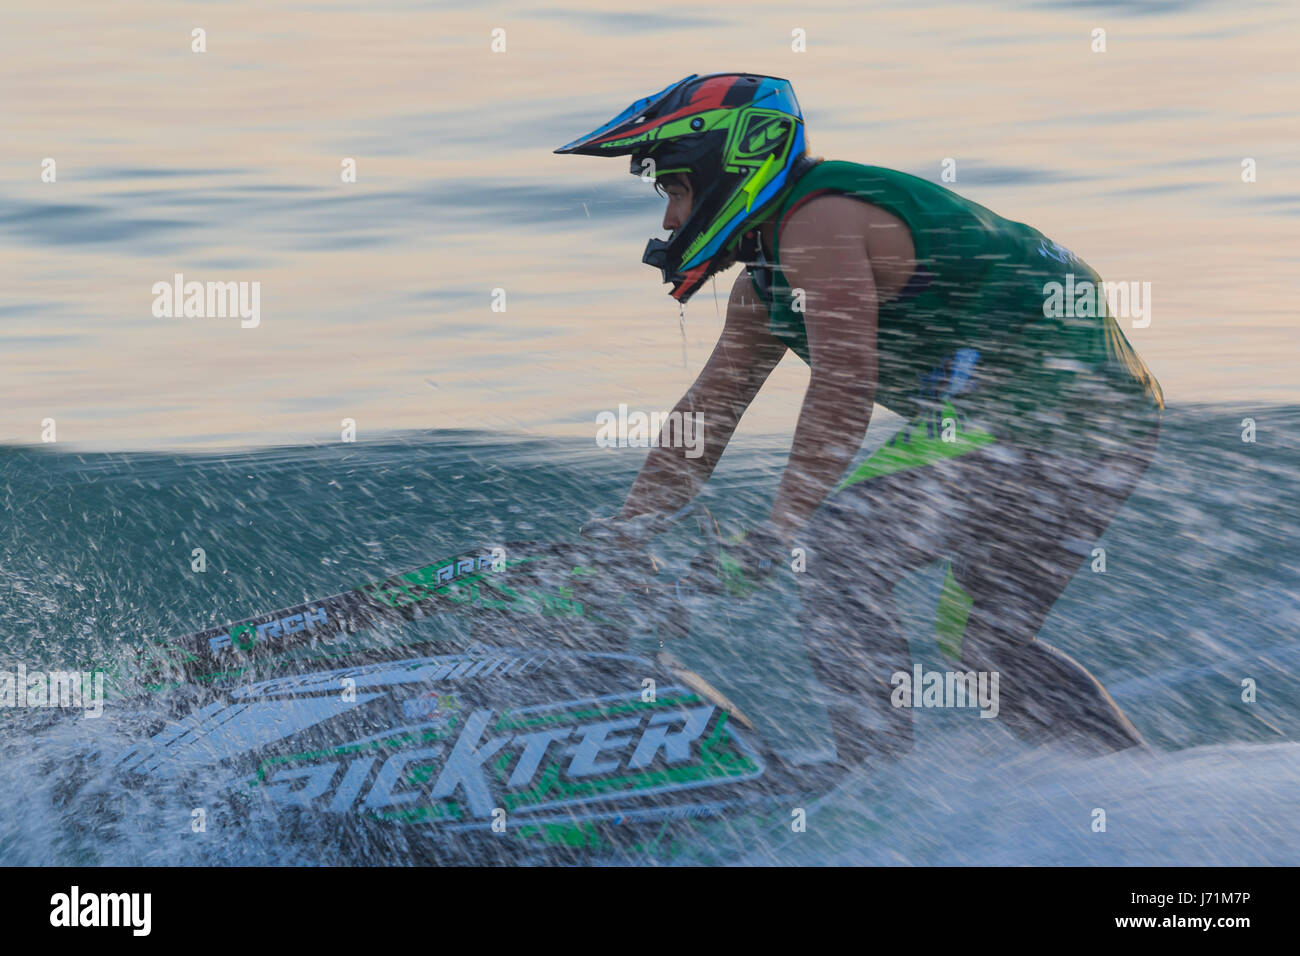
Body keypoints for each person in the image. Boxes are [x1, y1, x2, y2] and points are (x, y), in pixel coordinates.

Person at [556, 72, 1162, 769]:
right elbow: (708, 415)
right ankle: (1138, 785)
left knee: (839, 553)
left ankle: (875, 777)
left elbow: (845, 382)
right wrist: (627, 533)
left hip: (1041, 404)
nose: (668, 221)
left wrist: (785, 527)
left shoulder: (820, 224)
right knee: (985, 643)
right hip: (1112, 424)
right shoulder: (765, 286)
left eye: (677, 191)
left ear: (733, 167)